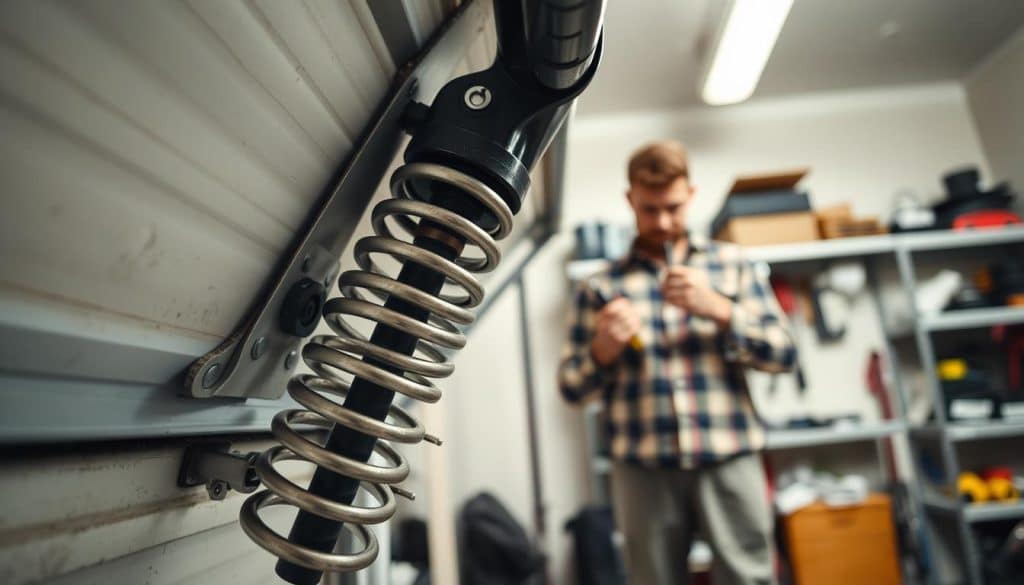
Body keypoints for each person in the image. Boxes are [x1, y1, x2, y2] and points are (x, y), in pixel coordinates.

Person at [557, 140, 796, 585]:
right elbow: (571, 388)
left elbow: (785, 354)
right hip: (642, 469)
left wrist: (722, 310)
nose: (663, 222)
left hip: (730, 457)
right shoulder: (599, 286)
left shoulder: (732, 267)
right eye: (649, 209)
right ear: (630, 199)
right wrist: (602, 351)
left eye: (673, 207)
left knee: (751, 578)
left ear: (692, 194)